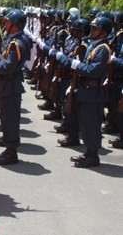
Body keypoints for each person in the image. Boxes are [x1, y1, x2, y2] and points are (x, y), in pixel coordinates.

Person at [51, 17, 112, 167]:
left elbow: (94, 71)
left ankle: (93, 155)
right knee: (85, 124)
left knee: (91, 125)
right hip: (85, 90)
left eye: (95, 28)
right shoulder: (94, 46)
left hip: (93, 92)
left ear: (103, 32)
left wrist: (77, 65)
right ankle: (88, 152)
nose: (92, 31)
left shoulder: (103, 49)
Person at [0, 10, 30, 165]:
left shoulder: (18, 43)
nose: (5, 24)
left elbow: (9, 66)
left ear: (15, 25)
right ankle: (9, 148)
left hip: (10, 84)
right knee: (6, 118)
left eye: (8, 22)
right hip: (7, 84)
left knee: (10, 119)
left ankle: (11, 152)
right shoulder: (14, 39)